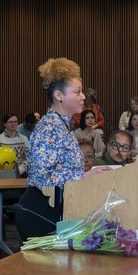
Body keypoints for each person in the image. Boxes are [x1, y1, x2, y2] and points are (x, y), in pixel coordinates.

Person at [17, 58, 112, 240]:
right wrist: (84, 176)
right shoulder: (49, 128)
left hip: (56, 207)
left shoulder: (62, 126)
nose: (83, 97)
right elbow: (44, 176)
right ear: (59, 96)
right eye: (77, 92)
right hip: (41, 213)